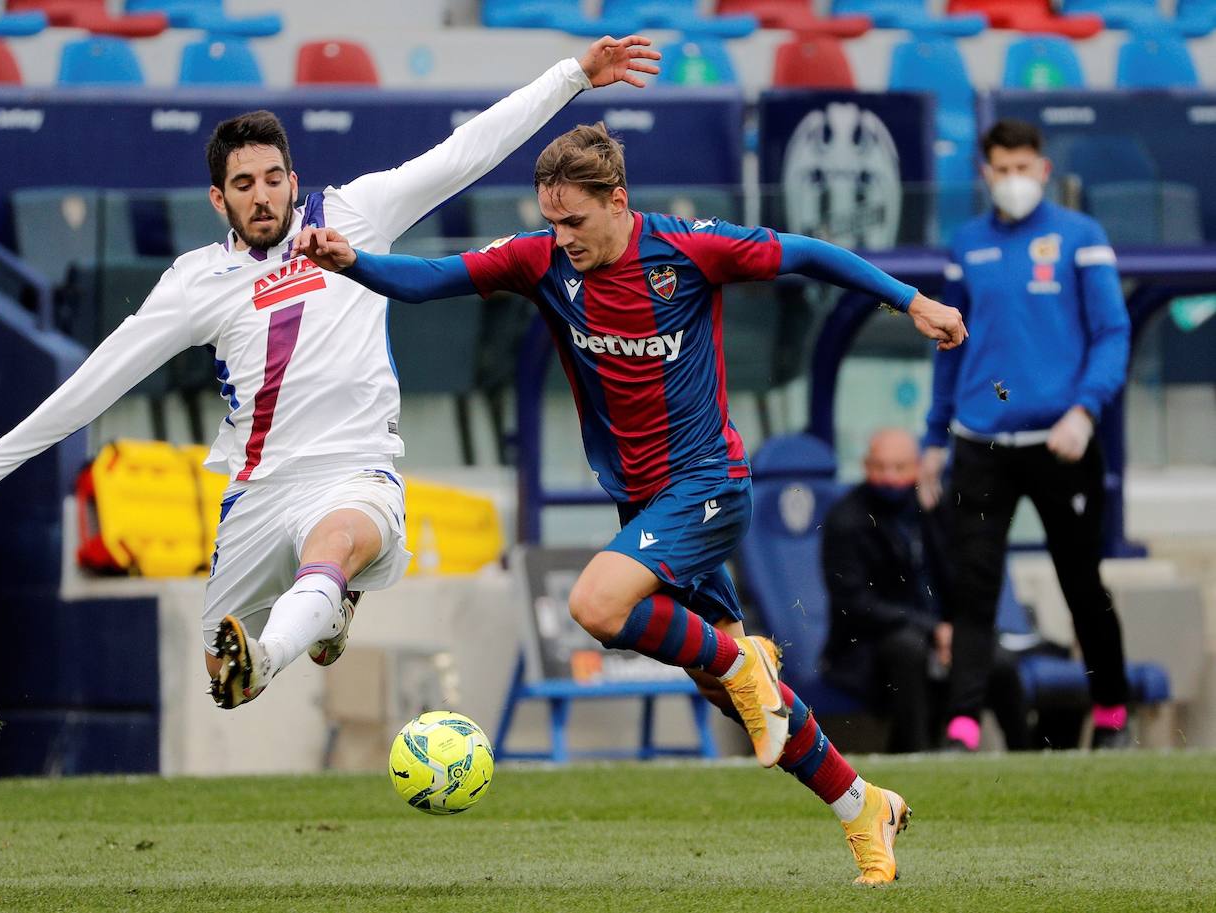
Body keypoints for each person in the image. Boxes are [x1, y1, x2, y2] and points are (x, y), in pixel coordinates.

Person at [297, 122, 967, 884]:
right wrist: (355, 263)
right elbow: (430, 278)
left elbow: (810, 253)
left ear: (618, 201)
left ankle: (745, 664)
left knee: (597, 604)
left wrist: (909, 300)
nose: (563, 237)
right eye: (552, 220)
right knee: (741, 702)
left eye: (575, 220)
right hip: (646, 508)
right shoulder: (542, 261)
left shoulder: (688, 250)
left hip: (710, 482)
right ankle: (863, 804)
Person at [0, 37, 663, 712]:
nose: (262, 194)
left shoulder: (355, 215)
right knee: (225, 684)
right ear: (219, 199)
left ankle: (299, 622)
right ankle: (320, 611)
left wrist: (573, 76)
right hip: (258, 488)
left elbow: (465, 151)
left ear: (293, 178)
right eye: (243, 183)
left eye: (273, 177)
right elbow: (100, 377)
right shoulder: (198, 282)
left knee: (332, 546)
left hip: (354, 471)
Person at [918, 119, 1133, 751]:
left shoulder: (1081, 237)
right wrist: (934, 437)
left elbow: (1112, 333)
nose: (1013, 181)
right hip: (979, 442)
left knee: (1080, 580)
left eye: (1023, 168)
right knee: (974, 587)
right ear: (985, 175)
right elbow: (949, 347)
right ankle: (963, 725)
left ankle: (1113, 711)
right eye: (1001, 170)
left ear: (1043, 168)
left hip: (1061, 441)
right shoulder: (967, 244)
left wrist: (1085, 410)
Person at [821, 428, 1030, 753]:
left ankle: (1026, 757)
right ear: (865, 466)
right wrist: (933, 630)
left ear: (918, 467)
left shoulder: (934, 509)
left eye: (899, 468)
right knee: (908, 649)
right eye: (880, 467)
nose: (889, 478)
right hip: (870, 647)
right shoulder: (846, 519)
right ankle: (919, 756)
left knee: (999, 662)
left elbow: (965, 582)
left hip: (942, 636)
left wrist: (957, 631)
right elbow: (855, 603)